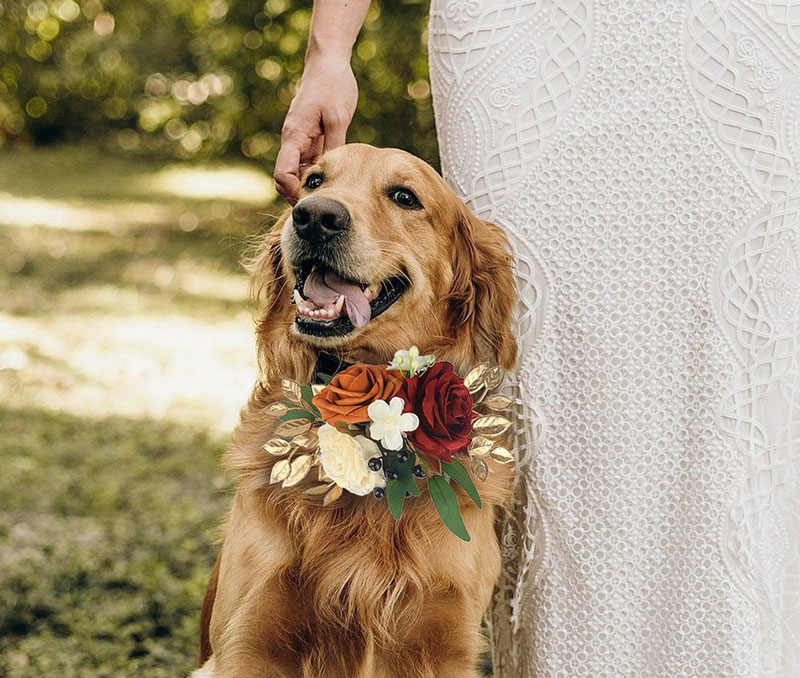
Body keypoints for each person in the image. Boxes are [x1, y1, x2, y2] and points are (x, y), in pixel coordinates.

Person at [275, 2, 800, 676]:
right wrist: (329, 50)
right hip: (522, 34)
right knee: (555, 357)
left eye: (401, 199)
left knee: (732, 376)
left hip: (745, 35)